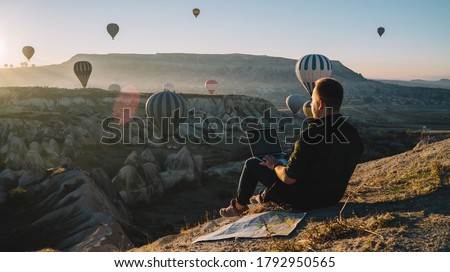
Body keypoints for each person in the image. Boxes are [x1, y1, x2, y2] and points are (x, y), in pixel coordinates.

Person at [220, 77, 363, 217]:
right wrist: (296, 153)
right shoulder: (352, 132)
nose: (310, 104)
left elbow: (289, 178)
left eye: (312, 101)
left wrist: (275, 165)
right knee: (284, 162)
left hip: (305, 200)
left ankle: (238, 208)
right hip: (333, 197)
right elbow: (327, 160)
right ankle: (264, 197)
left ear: (319, 104)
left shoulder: (311, 133)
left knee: (253, 163)